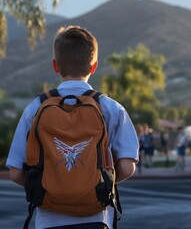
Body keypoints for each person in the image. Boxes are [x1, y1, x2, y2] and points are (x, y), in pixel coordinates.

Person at [6, 25, 139, 229]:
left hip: (48, 219)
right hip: (96, 218)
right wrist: (97, 187)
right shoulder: (112, 109)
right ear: (93, 66)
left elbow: (15, 173)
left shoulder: (35, 108)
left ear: (55, 65)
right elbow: (127, 167)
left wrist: (48, 190)